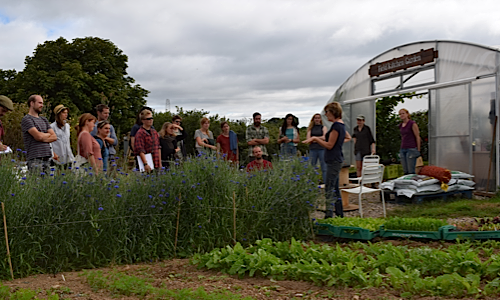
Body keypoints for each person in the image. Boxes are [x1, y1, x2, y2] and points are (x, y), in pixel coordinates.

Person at [303, 102, 345, 218]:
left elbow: (330, 145)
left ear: (333, 112)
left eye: (327, 112)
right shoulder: (340, 125)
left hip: (333, 160)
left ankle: (329, 215)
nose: (326, 115)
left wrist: (316, 138)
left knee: (329, 188)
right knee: (335, 188)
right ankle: (340, 214)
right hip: (335, 158)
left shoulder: (337, 126)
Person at [21, 95, 58, 172]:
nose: (42, 105)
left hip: (47, 158)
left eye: (42, 103)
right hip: (35, 158)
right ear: (32, 103)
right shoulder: (27, 119)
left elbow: (54, 136)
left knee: (47, 183)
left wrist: (42, 136)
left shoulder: (44, 119)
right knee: (36, 182)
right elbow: (38, 136)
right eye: (39, 103)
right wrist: (46, 135)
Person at [306, 113, 327, 183]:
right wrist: (318, 139)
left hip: (322, 149)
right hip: (313, 149)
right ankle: (313, 182)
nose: (317, 119)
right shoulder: (310, 129)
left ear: (320, 119)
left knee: (324, 167)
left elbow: (325, 137)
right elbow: (308, 139)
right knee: (312, 167)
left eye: (318, 118)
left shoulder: (323, 127)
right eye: (316, 118)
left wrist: (314, 138)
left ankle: (325, 182)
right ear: (313, 119)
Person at [399, 108, 421, 174]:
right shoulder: (401, 125)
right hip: (403, 148)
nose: (401, 115)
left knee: (410, 170)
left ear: (407, 114)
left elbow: (417, 136)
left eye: (403, 113)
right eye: (400, 114)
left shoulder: (412, 124)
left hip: (411, 148)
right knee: (405, 169)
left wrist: (418, 149)